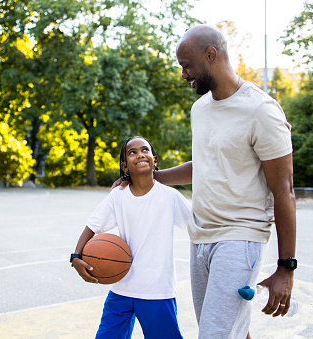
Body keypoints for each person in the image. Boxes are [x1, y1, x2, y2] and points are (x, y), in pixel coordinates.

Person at [114, 24, 297, 339]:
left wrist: (286, 267)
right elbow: (204, 166)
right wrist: (150, 177)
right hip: (201, 238)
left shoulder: (261, 110)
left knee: (215, 334)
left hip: (241, 238)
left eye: (187, 66)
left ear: (211, 55)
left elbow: (285, 192)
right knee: (227, 330)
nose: (184, 74)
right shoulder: (200, 110)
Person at [71, 136, 193, 339]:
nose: (140, 154)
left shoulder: (170, 196)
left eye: (145, 150)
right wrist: (76, 256)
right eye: (132, 152)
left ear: (154, 159)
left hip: (157, 291)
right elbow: (92, 225)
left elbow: (199, 226)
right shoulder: (118, 195)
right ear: (124, 166)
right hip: (121, 288)